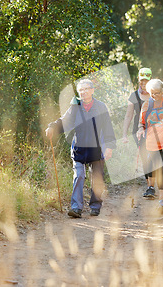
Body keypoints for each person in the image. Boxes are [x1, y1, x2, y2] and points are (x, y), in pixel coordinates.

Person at [45, 79, 116, 218]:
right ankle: (76, 207)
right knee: (79, 175)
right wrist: (52, 126)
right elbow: (65, 121)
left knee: (97, 178)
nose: (83, 92)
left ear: (92, 90)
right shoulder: (75, 106)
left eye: (86, 89)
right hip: (79, 147)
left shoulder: (101, 107)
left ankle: (95, 206)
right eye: (81, 90)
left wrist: (109, 147)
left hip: (96, 148)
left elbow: (108, 127)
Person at [136, 79, 163, 214]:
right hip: (152, 143)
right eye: (153, 93)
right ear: (149, 93)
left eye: (159, 93)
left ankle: (162, 200)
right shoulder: (146, 105)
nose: (156, 96)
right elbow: (141, 123)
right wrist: (140, 130)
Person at [122, 67, 155, 198]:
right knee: (145, 158)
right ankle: (150, 186)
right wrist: (124, 134)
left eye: (146, 80)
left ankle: (152, 185)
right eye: (141, 80)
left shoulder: (156, 95)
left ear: (150, 80)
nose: (143, 83)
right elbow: (128, 116)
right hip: (138, 132)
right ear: (138, 80)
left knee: (152, 157)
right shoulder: (134, 96)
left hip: (155, 131)